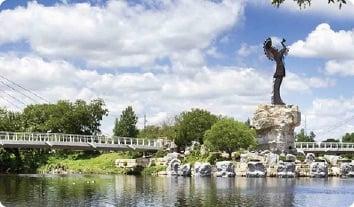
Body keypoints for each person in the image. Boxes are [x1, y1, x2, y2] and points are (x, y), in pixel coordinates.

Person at [263, 38, 289, 105]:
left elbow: (284, 49)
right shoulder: (277, 54)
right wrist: (282, 43)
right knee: (277, 87)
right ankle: (277, 100)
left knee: (277, 87)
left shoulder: (277, 54)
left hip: (280, 70)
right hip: (279, 71)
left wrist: (282, 43)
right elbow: (284, 49)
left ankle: (277, 100)